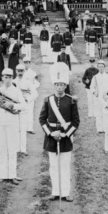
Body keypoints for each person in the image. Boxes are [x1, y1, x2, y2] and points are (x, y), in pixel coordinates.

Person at [39, 70, 80, 201]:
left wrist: (65, 135)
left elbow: (75, 121)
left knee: (65, 165)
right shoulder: (48, 100)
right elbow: (42, 119)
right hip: (51, 137)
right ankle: (55, 191)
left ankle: (65, 192)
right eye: (57, 84)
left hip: (65, 137)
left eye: (62, 84)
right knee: (53, 166)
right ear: (54, 85)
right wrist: (51, 133)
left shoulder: (71, 101)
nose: (59, 87)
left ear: (65, 86)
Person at [0, 68, 25, 184]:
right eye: (5, 77)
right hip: (0, 121)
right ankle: (3, 175)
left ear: (12, 78)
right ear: (2, 78)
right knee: (2, 149)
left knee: (12, 149)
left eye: (9, 77)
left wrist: (12, 105)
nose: (7, 80)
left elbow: (24, 106)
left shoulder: (17, 91)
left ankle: (12, 175)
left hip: (12, 121)